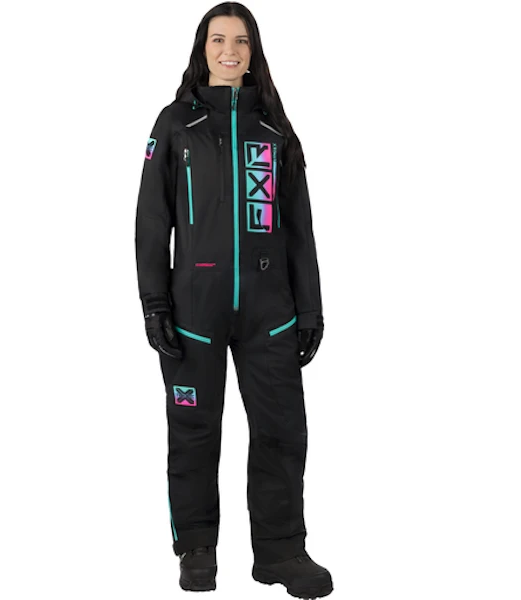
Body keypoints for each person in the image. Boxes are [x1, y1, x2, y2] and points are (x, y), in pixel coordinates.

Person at [135, 2, 332, 597]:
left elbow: (300, 229)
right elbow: (151, 221)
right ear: (202, 49)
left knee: (281, 431)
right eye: (218, 40)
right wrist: (154, 302)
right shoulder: (176, 124)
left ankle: (281, 552)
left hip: (271, 313)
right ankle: (197, 549)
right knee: (194, 431)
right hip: (194, 310)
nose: (229, 51)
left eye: (241, 41)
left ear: (254, 53)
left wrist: (310, 308)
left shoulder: (275, 130)